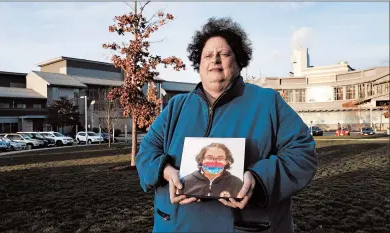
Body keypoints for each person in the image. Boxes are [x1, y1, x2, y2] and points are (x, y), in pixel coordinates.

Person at [135, 17, 317, 233]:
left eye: (224, 54)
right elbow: (147, 152)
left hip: (245, 226)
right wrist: (165, 171)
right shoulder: (176, 106)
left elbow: (303, 154)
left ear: (238, 61)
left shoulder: (267, 102)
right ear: (199, 64)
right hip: (176, 225)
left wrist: (258, 178)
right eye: (208, 55)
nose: (215, 60)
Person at [179, 143, 243, 199]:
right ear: (201, 159)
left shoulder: (237, 183)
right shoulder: (185, 181)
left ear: (226, 161)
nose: (214, 162)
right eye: (209, 157)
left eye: (220, 158)